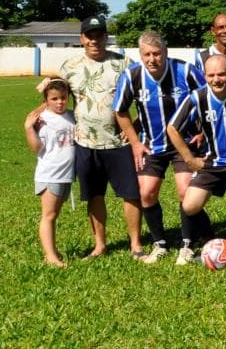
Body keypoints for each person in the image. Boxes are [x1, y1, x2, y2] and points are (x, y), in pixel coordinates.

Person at [113, 31, 205, 263]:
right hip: (151, 144)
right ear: (140, 55)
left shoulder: (184, 71)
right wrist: (135, 143)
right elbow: (120, 110)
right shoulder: (131, 75)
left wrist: (204, 131)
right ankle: (159, 243)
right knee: (146, 193)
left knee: (186, 192)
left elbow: (209, 96)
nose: (152, 59)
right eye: (147, 54)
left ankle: (188, 244)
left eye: (157, 53)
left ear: (165, 52)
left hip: (184, 143)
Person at [166, 54, 226, 265]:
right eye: (211, 75)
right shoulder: (197, 97)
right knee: (190, 205)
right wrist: (189, 159)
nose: (216, 79)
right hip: (214, 161)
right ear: (204, 76)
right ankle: (201, 242)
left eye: (221, 74)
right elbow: (172, 128)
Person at [58, 15, 144, 260]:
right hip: (86, 143)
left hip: (119, 143)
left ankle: (136, 245)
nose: (94, 40)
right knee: (94, 195)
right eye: (89, 35)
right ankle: (99, 245)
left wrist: (134, 129)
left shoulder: (126, 64)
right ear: (81, 38)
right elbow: (58, 98)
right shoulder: (69, 66)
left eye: (99, 35)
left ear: (106, 37)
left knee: (131, 194)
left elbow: (144, 99)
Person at [24, 79, 76, 267]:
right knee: (49, 215)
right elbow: (37, 147)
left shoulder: (71, 116)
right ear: (46, 100)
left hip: (67, 174)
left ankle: (52, 251)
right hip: (50, 174)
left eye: (63, 98)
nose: (60, 102)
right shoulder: (42, 119)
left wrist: (54, 78)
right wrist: (29, 128)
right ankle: (50, 256)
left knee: (55, 214)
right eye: (54, 99)